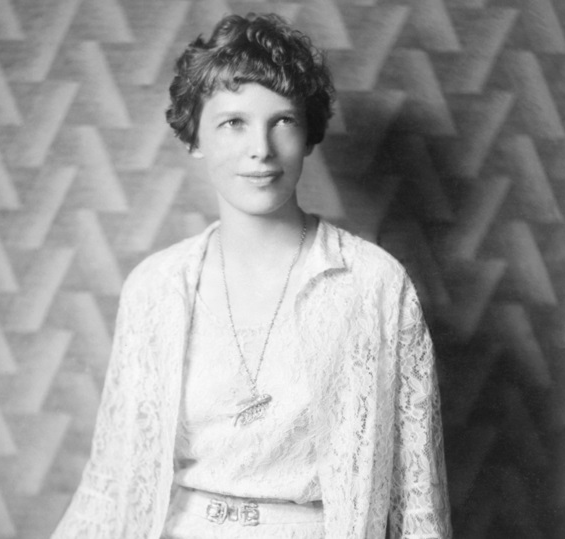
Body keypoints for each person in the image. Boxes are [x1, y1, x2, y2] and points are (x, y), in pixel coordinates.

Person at [52, 13, 451, 539]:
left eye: (282, 120)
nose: (261, 148)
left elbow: (417, 502)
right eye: (233, 123)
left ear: (308, 135)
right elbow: (110, 480)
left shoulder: (374, 284)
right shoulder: (155, 287)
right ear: (194, 136)